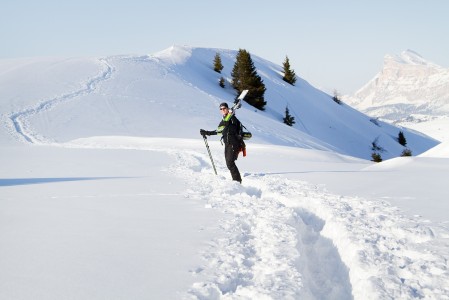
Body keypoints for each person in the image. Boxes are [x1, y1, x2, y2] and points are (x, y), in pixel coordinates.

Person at [200, 102, 243, 183]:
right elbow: (219, 131)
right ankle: (236, 180)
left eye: (224, 108)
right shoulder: (224, 119)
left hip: (233, 143)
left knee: (230, 162)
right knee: (228, 163)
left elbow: (233, 128)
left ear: (227, 109)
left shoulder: (233, 118)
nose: (223, 110)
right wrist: (207, 132)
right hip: (227, 143)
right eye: (221, 109)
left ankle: (237, 181)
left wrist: (230, 116)